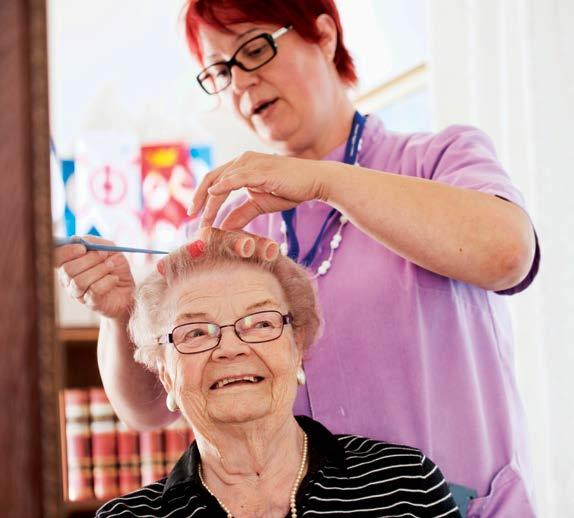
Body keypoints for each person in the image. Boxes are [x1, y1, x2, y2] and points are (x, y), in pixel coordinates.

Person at [55, 1, 540, 515]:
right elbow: (152, 407)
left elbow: (507, 254)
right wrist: (118, 316)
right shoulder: (224, 218)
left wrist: (322, 179)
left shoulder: (436, 160)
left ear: (325, 36)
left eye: (254, 48)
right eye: (220, 70)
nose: (239, 82)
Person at [95, 230, 461, 518]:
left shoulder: (404, 486)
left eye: (260, 323)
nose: (231, 348)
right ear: (165, 374)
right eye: (196, 333)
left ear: (297, 346)